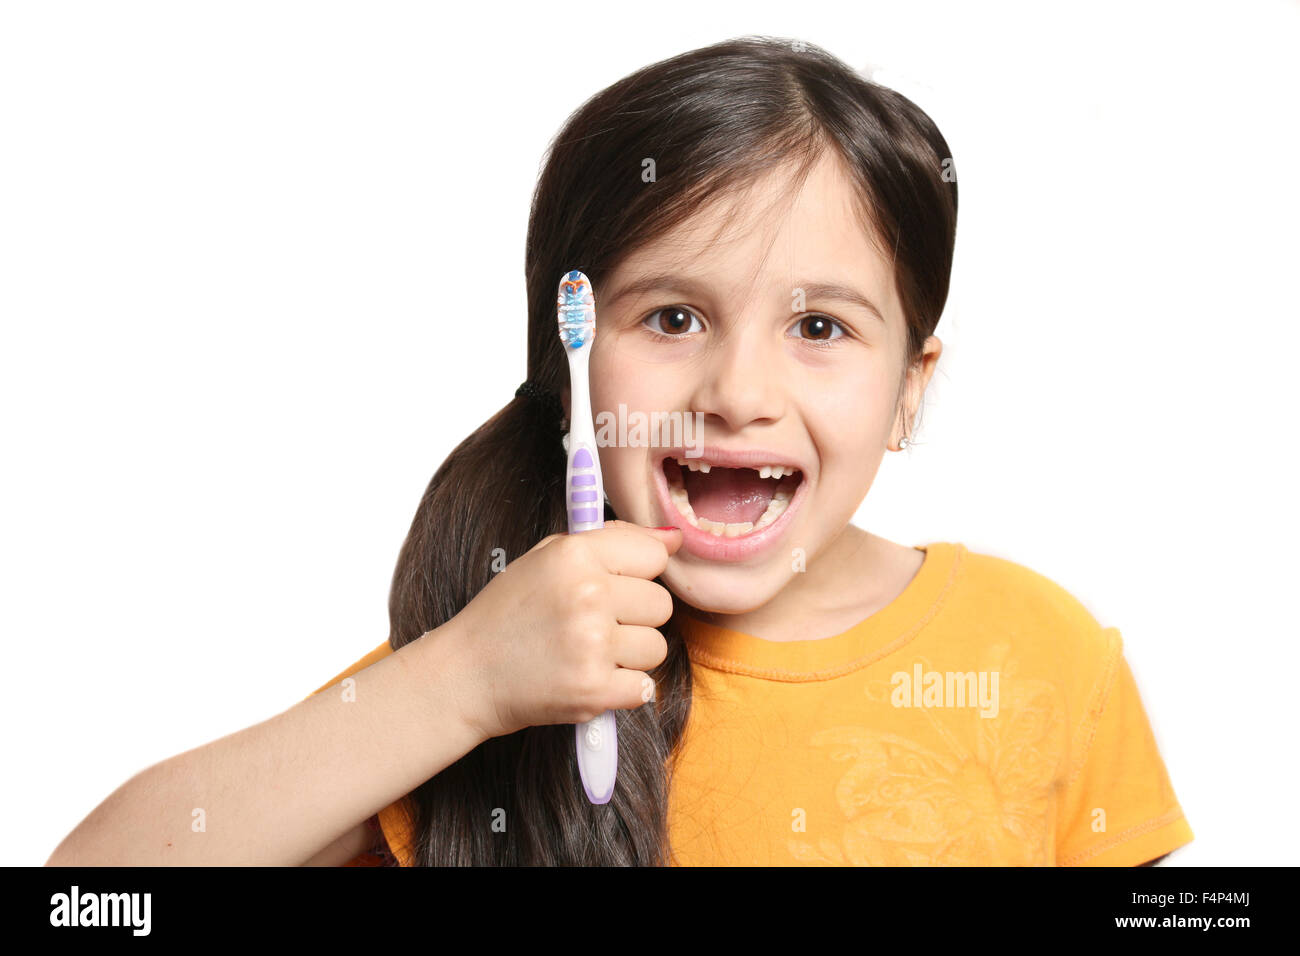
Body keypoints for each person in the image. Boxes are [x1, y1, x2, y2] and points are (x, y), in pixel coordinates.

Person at [47, 35, 1192, 868]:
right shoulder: (509, 651)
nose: (738, 393)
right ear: (570, 366)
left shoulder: (1041, 652)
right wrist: (461, 681)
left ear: (908, 389)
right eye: (673, 318)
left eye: (819, 327)